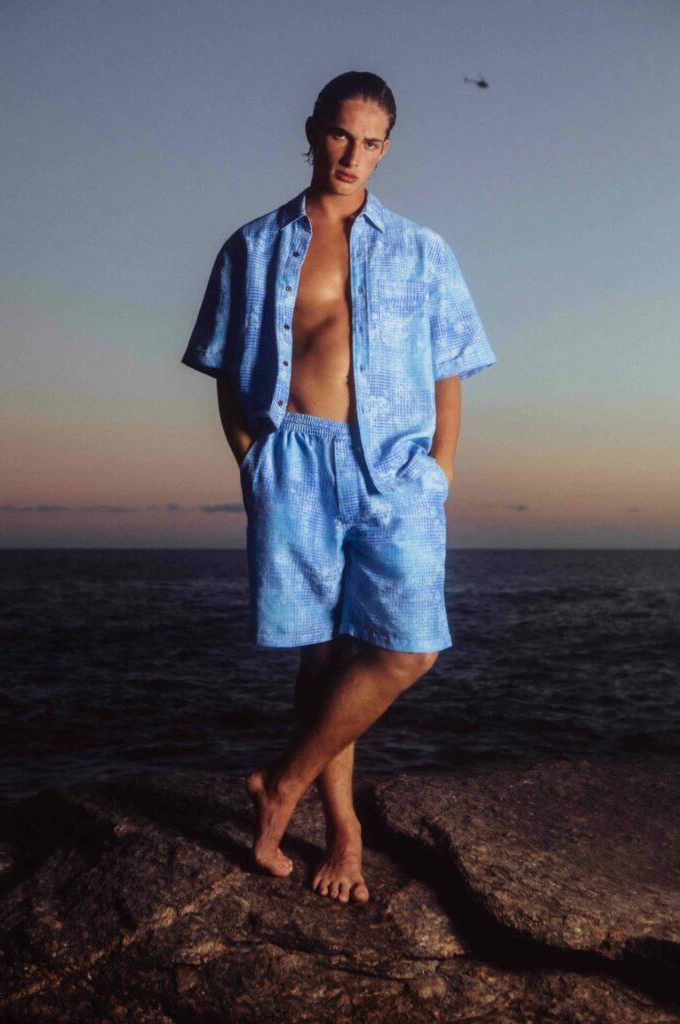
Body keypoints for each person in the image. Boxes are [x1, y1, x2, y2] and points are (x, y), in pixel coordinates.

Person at [181, 71, 497, 905]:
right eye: (339, 135)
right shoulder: (251, 246)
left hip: (392, 467)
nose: (352, 155)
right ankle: (344, 833)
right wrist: (251, 457)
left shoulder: (423, 249)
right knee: (323, 656)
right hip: (294, 459)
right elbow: (220, 367)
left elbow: (450, 371)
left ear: (386, 148)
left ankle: (279, 782)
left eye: (370, 142)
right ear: (313, 129)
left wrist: (441, 468)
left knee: (407, 648)